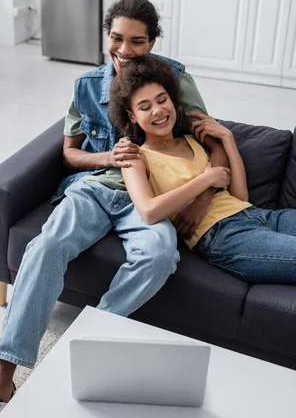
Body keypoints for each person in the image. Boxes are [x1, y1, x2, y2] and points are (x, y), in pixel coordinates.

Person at [0, 0, 227, 418]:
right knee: (46, 247)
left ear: (153, 42)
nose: (124, 49)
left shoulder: (175, 81)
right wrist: (107, 157)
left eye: (137, 41)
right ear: (107, 35)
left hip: (150, 195)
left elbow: (215, 141)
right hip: (96, 189)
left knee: (161, 256)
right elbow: (69, 152)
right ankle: (1, 383)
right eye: (116, 38)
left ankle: (74, 351)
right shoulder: (86, 84)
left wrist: (202, 195)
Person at [109, 55, 296, 285]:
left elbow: (240, 197)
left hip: (259, 216)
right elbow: (149, 211)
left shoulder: (193, 140)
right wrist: (206, 179)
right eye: (145, 107)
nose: (157, 110)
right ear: (132, 116)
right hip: (222, 236)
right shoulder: (135, 157)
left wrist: (228, 139)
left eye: (162, 100)